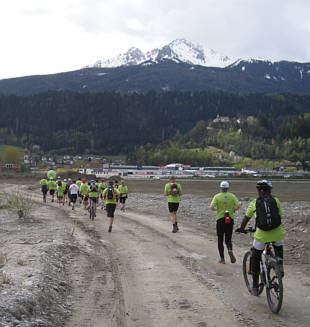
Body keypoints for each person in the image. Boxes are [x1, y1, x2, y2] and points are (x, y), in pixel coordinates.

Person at [235, 180, 285, 296]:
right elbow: (280, 216)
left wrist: (242, 229)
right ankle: (279, 266)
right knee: (278, 247)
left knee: (255, 257)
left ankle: (255, 286)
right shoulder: (276, 200)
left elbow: (246, 218)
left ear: (258, 191)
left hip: (262, 235)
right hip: (277, 233)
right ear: (270, 190)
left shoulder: (254, 203)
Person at [210, 181, 240, 264]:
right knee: (228, 238)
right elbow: (238, 205)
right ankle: (230, 249)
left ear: (220, 188)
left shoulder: (217, 196)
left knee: (220, 239)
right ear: (228, 188)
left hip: (220, 219)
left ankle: (222, 259)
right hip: (229, 219)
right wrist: (233, 210)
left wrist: (217, 210)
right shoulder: (232, 196)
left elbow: (211, 207)